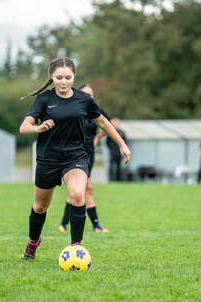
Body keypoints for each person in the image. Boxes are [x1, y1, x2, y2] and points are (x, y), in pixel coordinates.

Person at [19, 57, 130, 260]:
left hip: (75, 156)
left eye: (68, 77)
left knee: (78, 195)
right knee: (40, 206)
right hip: (48, 159)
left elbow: (104, 123)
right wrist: (38, 127)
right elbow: (24, 127)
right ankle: (34, 242)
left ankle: (75, 248)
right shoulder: (44, 99)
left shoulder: (84, 100)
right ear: (51, 77)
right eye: (59, 77)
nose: (63, 81)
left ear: (74, 77)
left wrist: (122, 144)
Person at [58, 83, 111, 233]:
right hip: (75, 152)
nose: (89, 97)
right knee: (84, 188)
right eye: (86, 94)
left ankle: (67, 224)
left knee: (86, 189)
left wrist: (97, 138)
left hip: (89, 152)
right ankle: (93, 225)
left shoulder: (95, 109)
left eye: (91, 95)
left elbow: (108, 124)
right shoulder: (74, 109)